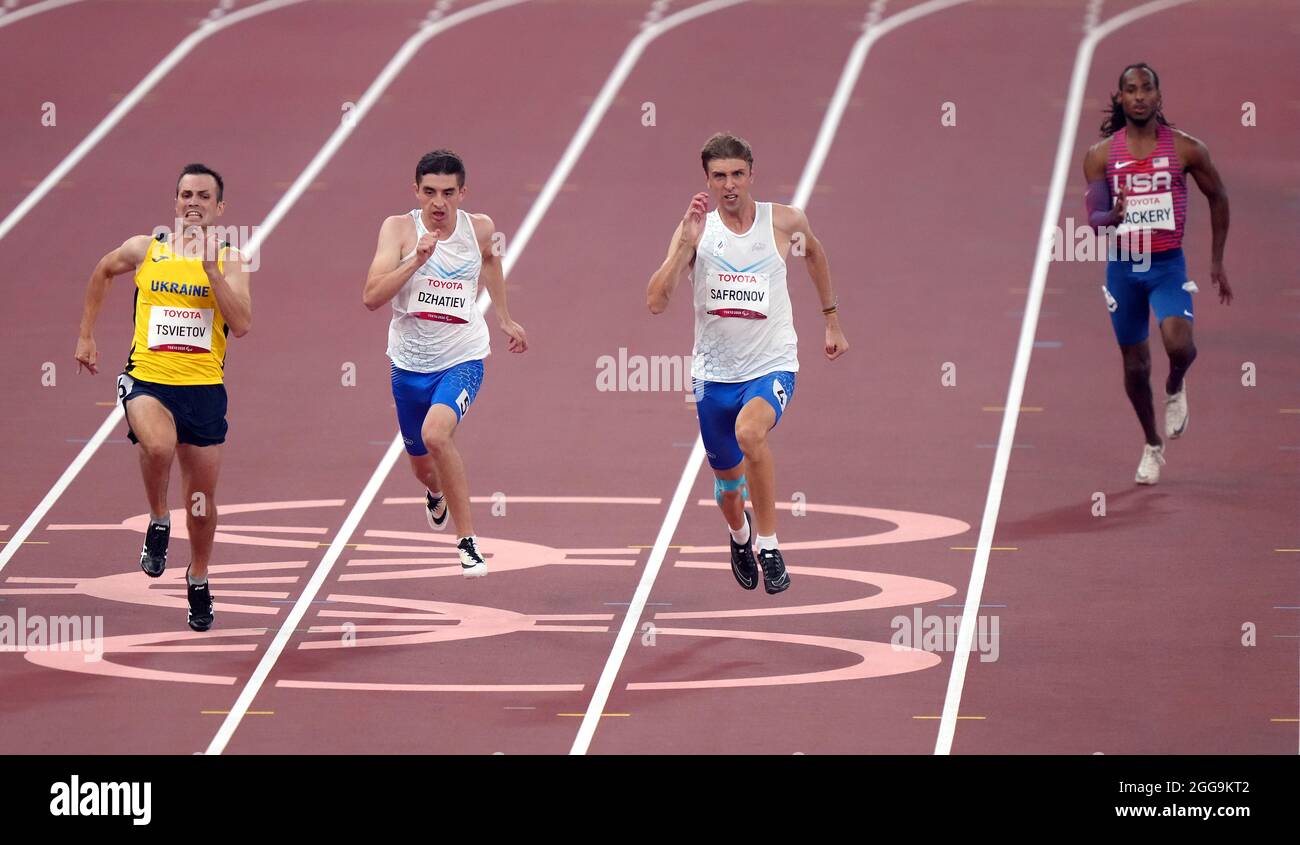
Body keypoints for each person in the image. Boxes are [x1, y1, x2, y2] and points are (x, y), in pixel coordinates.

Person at [646, 132, 848, 594]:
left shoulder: (784, 223)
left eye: (738, 174)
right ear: (708, 181)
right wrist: (683, 249)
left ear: (752, 175)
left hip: (772, 364)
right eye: (720, 176)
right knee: (729, 491)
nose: (730, 185)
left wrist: (831, 319)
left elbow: (815, 254)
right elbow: (655, 302)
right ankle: (740, 537)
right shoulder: (695, 232)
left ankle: (771, 545)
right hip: (713, 378)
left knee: (750, 433)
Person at [75, 163, 252, 631]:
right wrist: (86, 335)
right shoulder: (146, 249)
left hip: (203, 391)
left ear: (219, 208)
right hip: (148, 379)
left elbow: (243, 323)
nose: (192, 202)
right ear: (175, 203)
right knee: (155, 446)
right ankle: (157, 518)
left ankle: (198, 576)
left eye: (202, 196)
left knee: (201, 504)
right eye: (185, 195)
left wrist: (212, 271)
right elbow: (102, 270)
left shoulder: (232, 259)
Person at [363, 149, 527, 577]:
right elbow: (371, 297)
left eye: (448, 193)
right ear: (416, 191)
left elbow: (491, 261)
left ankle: (467, 541)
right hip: (408, 366)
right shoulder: (398, 231)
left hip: (463, 357)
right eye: (430, 192)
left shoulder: (481, 228)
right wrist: (416, 260)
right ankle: (435, 491)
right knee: (421, 465)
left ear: (462, 193)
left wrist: (505, 318)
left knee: (437, 435)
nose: (439, 202)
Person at [1083, 63, 1231, 484]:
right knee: (1134, 366)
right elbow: (1093, 218)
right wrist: (1114, 213)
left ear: (1158, 96)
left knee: (1179, 345)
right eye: (1131, 90)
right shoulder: (1100, 156)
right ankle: (1152, 444)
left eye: (1147, 88)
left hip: (1166, 265)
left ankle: (1175, 386)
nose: (1140, 96)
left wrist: (1216, 260)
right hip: (1125, 269)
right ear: (1121, 98)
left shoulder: (1186, 149)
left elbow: (1218, 197)